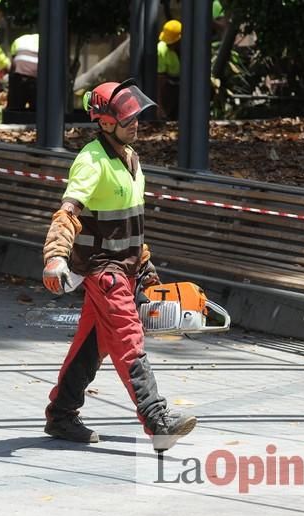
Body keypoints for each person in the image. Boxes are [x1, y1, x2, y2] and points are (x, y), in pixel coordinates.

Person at [41, 79, 198, 452]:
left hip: (125, 268)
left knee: (92, 345)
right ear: (105, 121)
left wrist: (145, 265)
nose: (136, 123)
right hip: (102, 271)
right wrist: (55, 257)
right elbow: (67, 213)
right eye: (128, 118)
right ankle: (158, 421)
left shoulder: (131, 158)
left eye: (137, 116)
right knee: (128, 338)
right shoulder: (91, 160)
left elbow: (129, 222)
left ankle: (62, 414)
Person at [7, 33, 39, 111]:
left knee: (15, 108)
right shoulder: (48, 41)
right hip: (37, 79)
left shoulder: (18, 40)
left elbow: (13, 66)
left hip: (19, 77)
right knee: (36, 109)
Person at [157, 20, 181, 120]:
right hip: (170, 85)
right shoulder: (161, 50)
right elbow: (160, 80)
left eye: (172, 43)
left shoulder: (192, 48)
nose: (168, 45)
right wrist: (160, 106)